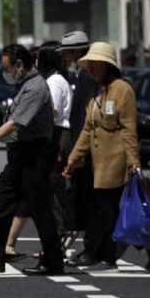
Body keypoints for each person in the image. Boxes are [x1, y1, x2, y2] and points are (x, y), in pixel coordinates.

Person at [0, 44, 63, 276]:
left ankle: (53, 261)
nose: (6, 74)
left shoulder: (36, 88)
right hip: (19, 157)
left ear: (20, 64)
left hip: (32, 156)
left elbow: (15, 123)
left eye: (8, 68)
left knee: (41, 211)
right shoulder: (25, 85)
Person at [63, 42, 150, 270]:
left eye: (97, 64)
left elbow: (128, 130)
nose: (92, 68)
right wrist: (73, 160)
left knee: (106, 211)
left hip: (117, 161)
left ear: (108, 65)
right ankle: (144, 241)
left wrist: (134, 162)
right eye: (90, 64)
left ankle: (106, 256)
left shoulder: (122, 90)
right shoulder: (95, 91)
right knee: (106, 210)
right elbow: (87, 129)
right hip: (98, 162)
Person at [5, 41, 72, 258]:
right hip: (53, 137)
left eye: (37, 57)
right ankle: (12, 243)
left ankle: (54, 244)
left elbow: (50, 112)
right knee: (40, 193)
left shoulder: (50, 82)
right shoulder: (59, 80)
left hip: (51, 139)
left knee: (44, 194)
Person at [57, 31, 96, 263]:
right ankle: (90, 246)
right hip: (84, 146)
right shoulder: (82, 75)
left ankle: (94, 248)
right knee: (85, 199)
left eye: (68, 52)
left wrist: (75, 151)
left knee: (88, 200)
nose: (66, 57)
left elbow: (83, 118)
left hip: (86, 148)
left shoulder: (86, 77)